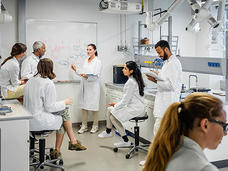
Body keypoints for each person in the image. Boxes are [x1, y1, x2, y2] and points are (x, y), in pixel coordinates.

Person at [143, 92, 227, 171]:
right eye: (223, 125)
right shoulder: (203, 168)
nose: (225, 133)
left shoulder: (167, 152)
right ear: (205, 124)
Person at [23, 58, 86, 159]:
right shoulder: (48, 83)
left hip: (28, 120)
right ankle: (68, 144)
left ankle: (64, 147)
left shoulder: (30, 81)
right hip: (39, 121)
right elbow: (50, 107)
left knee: (62, 115)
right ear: (50, 68)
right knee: (64, 115)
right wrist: (65, 102)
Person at [140, 40, 183, 166]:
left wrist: (155, 80)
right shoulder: (167, 63)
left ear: (166, 49)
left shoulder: (174, 63)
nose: (158, 55)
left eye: (159, 52)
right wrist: (157, 76)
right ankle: (161, 160)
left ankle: (154, 160)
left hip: (168, 104)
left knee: (158, 132)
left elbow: (171, 85)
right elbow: (166, 80)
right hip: (163, 103)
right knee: (162, 134)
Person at [98, 61, 145, 147]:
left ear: (131, 71)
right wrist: (116, 104)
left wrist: (116, 105)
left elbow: (125, 101)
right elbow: (128, 99)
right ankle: (109, 131)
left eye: (125, 68)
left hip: (136, 109)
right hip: (134, 106)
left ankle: (120, 138)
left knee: (112, 116)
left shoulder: (131, 82)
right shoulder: (134, 80)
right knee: (110, 111)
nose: (123, 70)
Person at [71, 44, 102, 134]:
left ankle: (95, 126)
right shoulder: (86, 60)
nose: (88, 51)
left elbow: (96, 76)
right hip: (85, 86)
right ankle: (84, 126)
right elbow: (82, 73)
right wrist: (76, 70)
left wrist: (87, 76)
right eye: (87, 50)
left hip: (93, 87)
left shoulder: (97, 62)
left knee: (94, 107)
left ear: (95, 50)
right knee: (84, 107)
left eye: (90, 49)